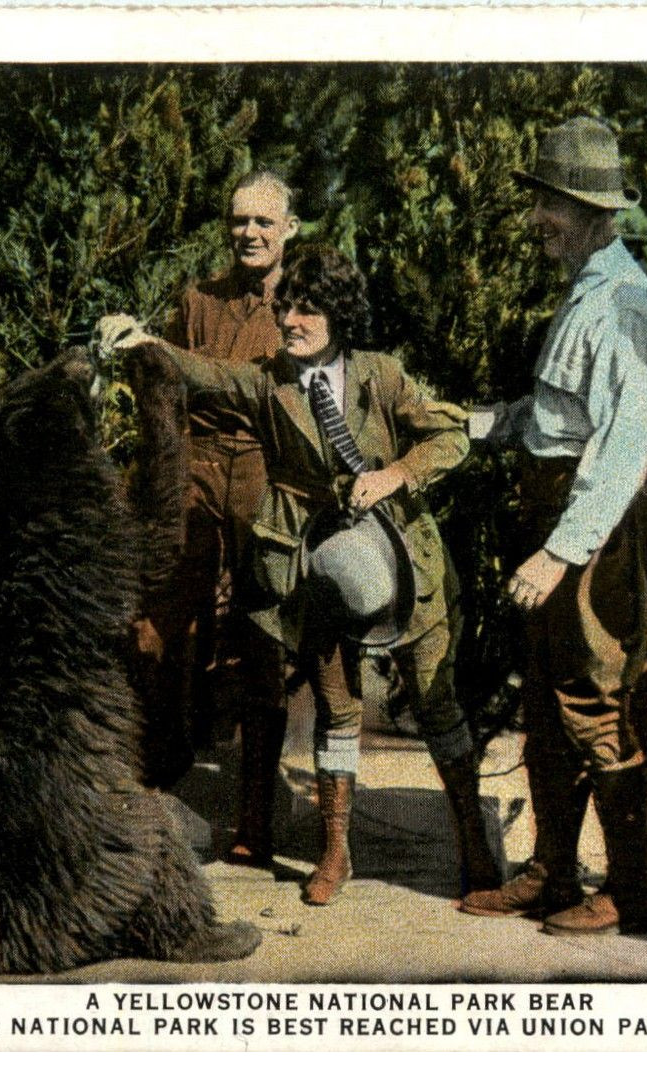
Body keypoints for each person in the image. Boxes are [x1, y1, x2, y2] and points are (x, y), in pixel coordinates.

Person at [103, 245, 500, 907]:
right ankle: (334, 851)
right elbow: (205, 373)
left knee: (436, 705)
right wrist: (146, 343)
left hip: (404, 564)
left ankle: (474, 845)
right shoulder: (266, 381)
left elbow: (449, 435)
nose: (290, 319)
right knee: (335, 711)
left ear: (337, 313)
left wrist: (394, 474)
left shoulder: (379, 375)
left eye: (307, 308)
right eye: (285, 306)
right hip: (315, 565)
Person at [457, 116, 647, 937]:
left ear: (599, 214)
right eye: (538, 200)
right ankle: (552, 871)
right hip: (566, 509)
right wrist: (478, 425)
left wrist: (560, 553)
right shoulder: (591, 292)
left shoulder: (626, 306)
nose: (537, 218)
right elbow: (563, 415)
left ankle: (632, 888)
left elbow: (621, 448)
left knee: (599, 700)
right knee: (546, 700)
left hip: (593, 524)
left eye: (553, 205)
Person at [132, 172, 295, 864]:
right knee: (159, 624)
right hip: (196, 467)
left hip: (264, 468)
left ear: (289, 228)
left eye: (263, 222)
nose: (249, 234)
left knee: (263, 637)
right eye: (238, 221)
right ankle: (145, 784)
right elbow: (163, 389)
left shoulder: (301, 304)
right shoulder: (198, 301)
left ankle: (254, 816)